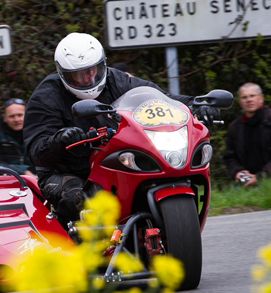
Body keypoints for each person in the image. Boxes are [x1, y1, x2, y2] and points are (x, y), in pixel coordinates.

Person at [23, 32, 219, 230]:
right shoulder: (46, 97)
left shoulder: (116, 80)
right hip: (66, 170)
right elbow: (37, 152)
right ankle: (66, 242)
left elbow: (161, 98)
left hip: (111, 161)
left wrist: (196, 104)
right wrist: (59, 140)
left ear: (103, 64)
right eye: (78, 75)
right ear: (63, 74)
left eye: (94, 70)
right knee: (76, 198)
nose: (88, 79)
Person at [223, 83, 271, 187]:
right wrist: (238, 172)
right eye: (244, 97)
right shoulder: (235, 127)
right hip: (246, 186)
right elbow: (230, 156)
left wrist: (261, 177)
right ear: (240, 102)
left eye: (252, 96)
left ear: (261, 98)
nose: (249, 100)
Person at [0, 98, 36, 176]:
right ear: (4, 118)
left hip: (38, 179)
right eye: (12, 116)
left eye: (20, 115)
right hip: (8, 180)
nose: (16, 120)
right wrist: (22, 172)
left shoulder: (37, 129)